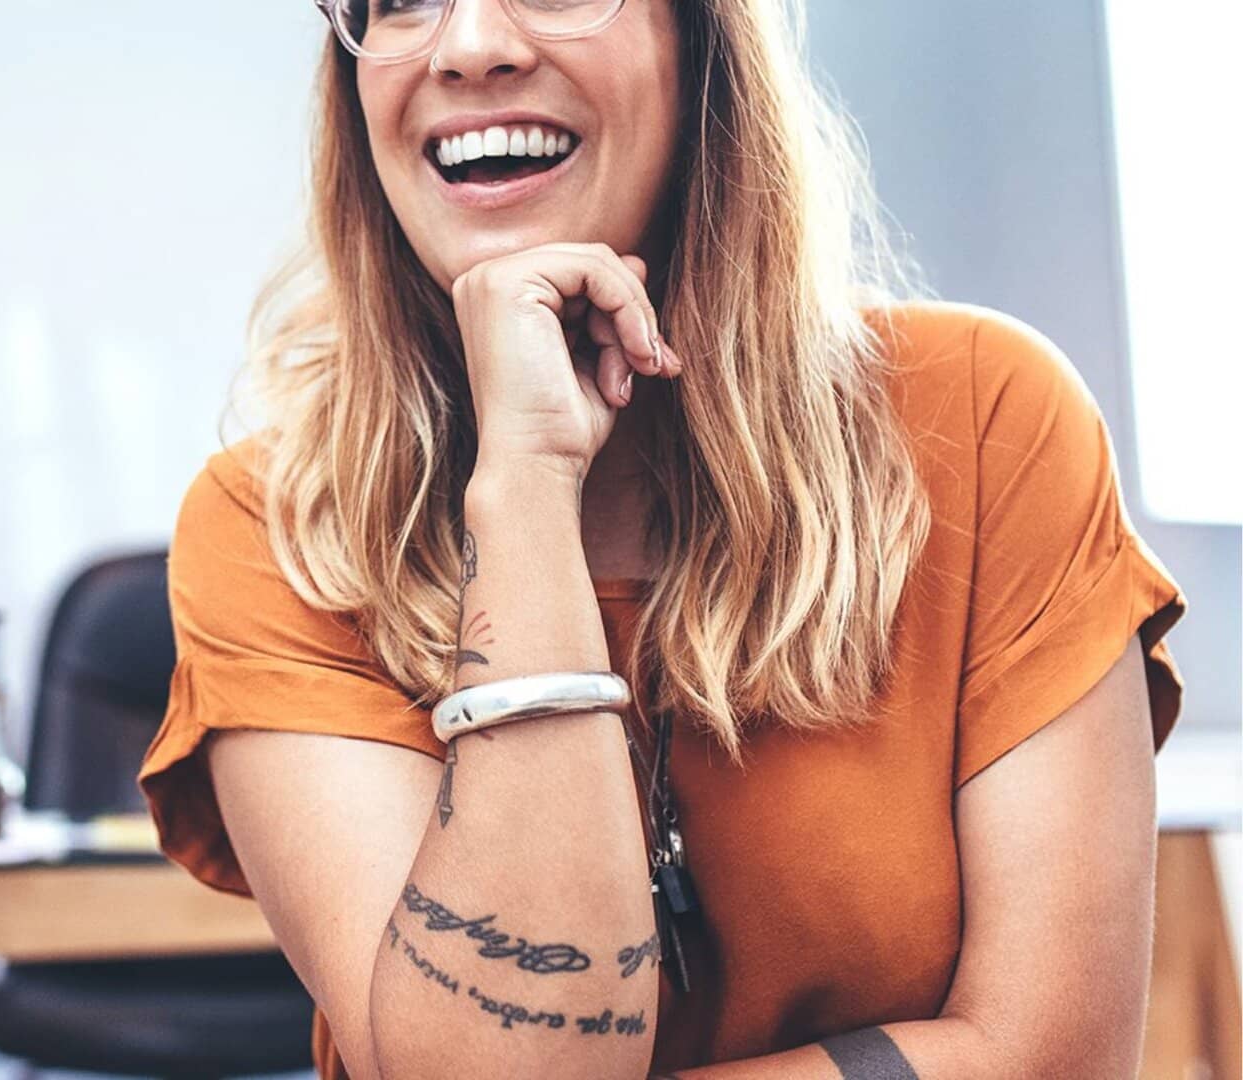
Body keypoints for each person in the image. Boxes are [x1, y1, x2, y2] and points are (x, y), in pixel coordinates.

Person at [138, 0, 1187, 1076]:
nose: (468, 46)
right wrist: (526, 484)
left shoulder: (984, 419)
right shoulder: (276, 527)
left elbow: (1052, 1059)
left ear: (699, 35)